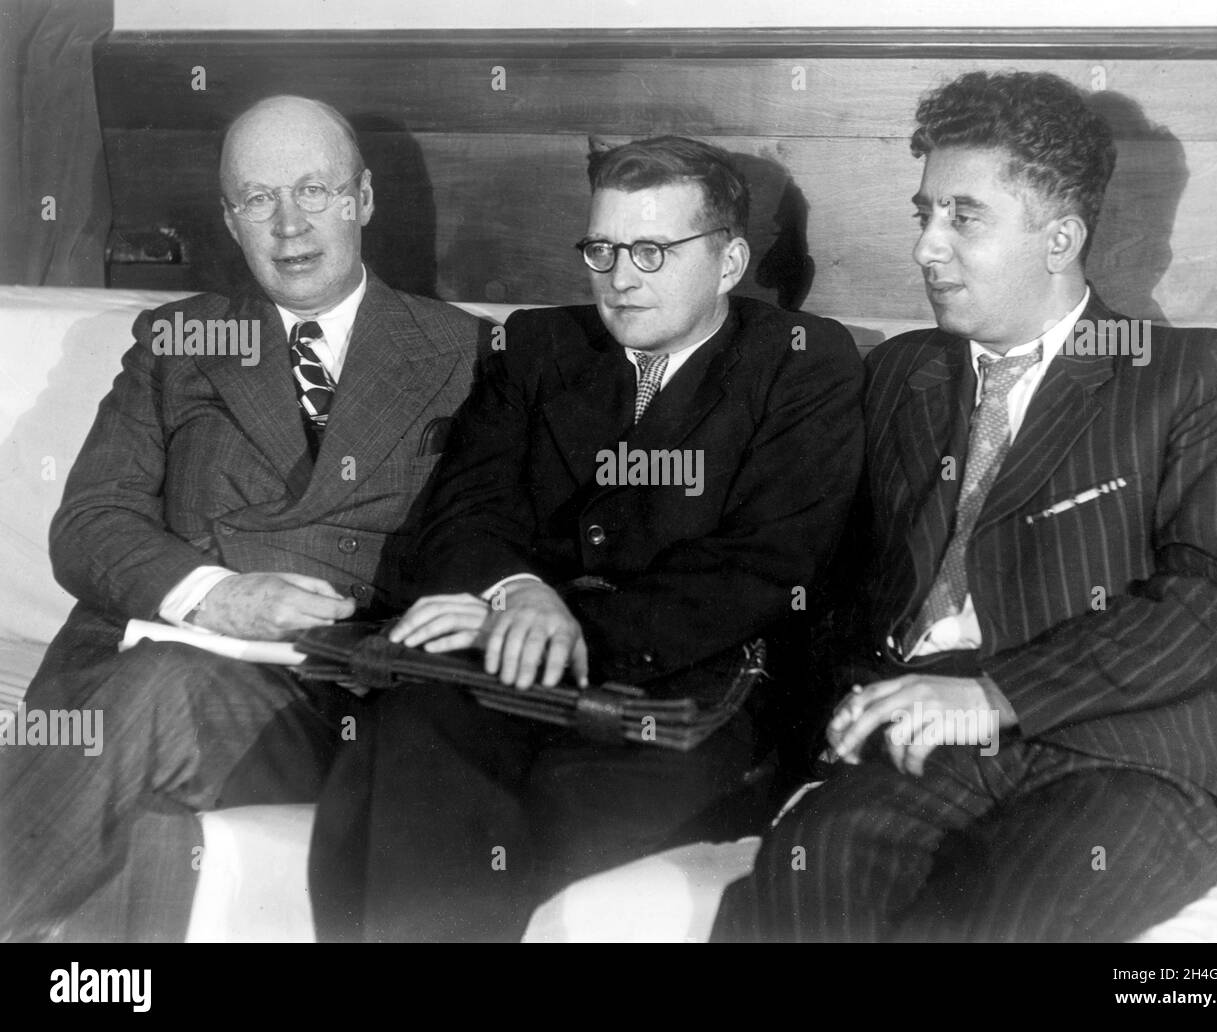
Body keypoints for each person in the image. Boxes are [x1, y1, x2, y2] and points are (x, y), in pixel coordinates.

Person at [712, 70, 1217, 943]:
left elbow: (1215, 601)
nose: (926, 248)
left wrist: (996, 694)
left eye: (962, 217)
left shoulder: (1191, 373)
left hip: (1128, 754)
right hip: (926, 741)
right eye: (924, 214)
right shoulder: (903, 373)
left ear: (1061, 239)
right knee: (805, 889)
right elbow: (823, 568)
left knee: (991, 927)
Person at [308, 135, 866, 941]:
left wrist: (560, 625)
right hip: (508, 671)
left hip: (691, 694)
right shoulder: (538, 348)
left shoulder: (801, 365)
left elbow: (769, 567)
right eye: (602, 249)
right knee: (410, 739)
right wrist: (517, 593)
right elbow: (461, 509)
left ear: (731, 260)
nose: (620, 277)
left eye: (651, 249)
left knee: (543, 810)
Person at [0, 95, 491, 942]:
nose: (290, 225)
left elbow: (501, 546)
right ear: (230, 219)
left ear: (362, 200)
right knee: (155, 803)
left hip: (326, 693)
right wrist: (216, 595)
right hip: (147, 652)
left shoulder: (464, 354)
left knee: (162, 694)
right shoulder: (181, 340)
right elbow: (90, 521)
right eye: (259, 198)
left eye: (315, 191)